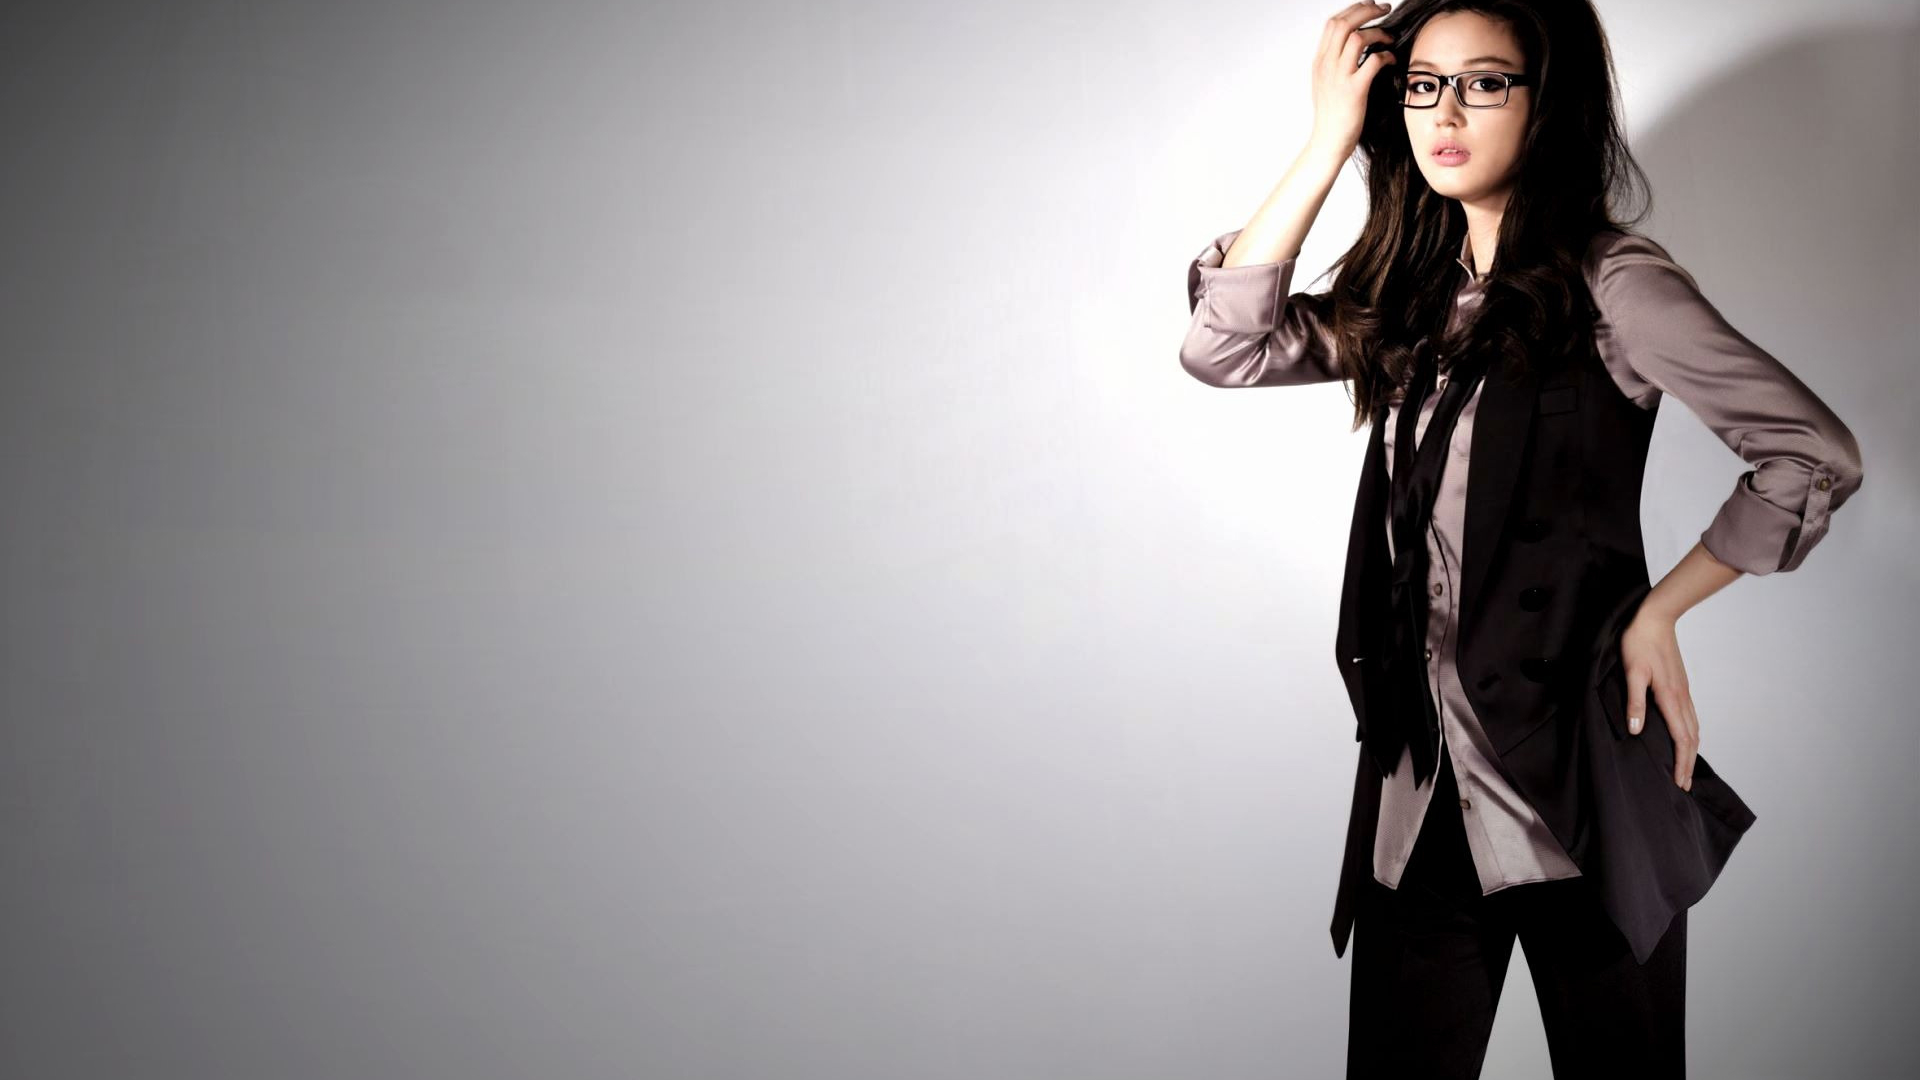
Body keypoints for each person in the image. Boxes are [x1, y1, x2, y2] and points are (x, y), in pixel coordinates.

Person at [1176, 2, 1864, 1078]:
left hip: (1581, 789)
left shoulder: (1615, 284)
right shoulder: (1409, 296)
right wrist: (1327, 137)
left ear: (1548, 105)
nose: (1445, 112)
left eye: (1484, 82)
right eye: (1422, 86)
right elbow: (1224, 346)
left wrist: (1661, 609)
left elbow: (1810, 451)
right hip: (1419, 794)